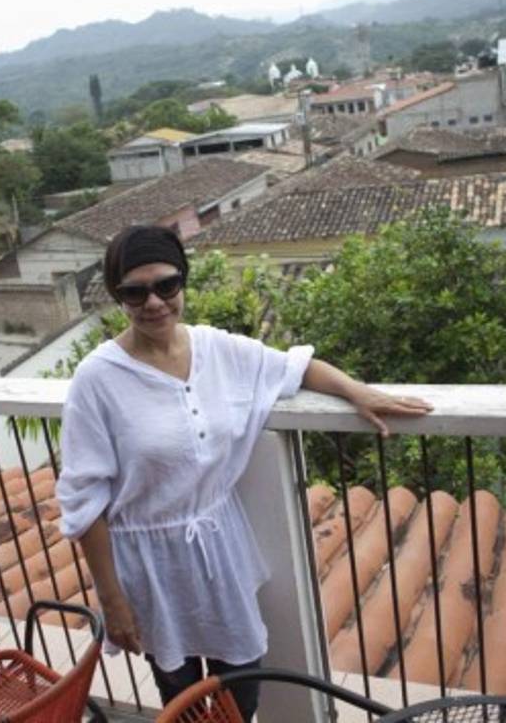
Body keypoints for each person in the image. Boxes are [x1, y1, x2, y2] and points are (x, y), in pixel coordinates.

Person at [57, 225, 432, 719]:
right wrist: (113, 599)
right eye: (135, 291)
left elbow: (295, 367)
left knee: (242, 683)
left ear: (183, 282)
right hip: (151, 568)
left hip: (220, 551)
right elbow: (84, 501)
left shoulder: (216, 350)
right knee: (182, 696)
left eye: (166, 285)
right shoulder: (97, 379)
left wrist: (358, 391)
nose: (154, 302)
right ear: (117, 297)